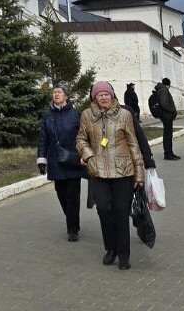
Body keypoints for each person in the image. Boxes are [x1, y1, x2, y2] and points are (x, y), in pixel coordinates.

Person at [76, 81, 145, 272]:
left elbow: (133, 144)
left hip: (123, 171)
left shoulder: (124, 115)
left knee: (121, 212)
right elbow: (81, 139)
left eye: (107, 94)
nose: (104, 97)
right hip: (98, 171)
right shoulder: (87, 115)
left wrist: (139, 174)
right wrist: (88, 156)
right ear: (94, 98)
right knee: (104, 210)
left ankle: (123, 255)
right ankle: (111, 248)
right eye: (100, 95)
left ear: (113, 96)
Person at [36, 84, 85, 241]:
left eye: (59, 92)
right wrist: (41, 159)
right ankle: (71, 218)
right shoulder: (48, 116)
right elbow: (43, 138)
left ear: (66, 96)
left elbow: (84, 137)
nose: (56, 94)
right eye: (54, 92)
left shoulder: (76, 114)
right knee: (61, 194)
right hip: (56, 161)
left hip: (72, 160)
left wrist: (84, 155)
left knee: (73, 196)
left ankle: (73, 228)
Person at [152, 78, 181, 160]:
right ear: (168, 85)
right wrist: (172, 110)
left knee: (167, 134)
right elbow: (164, 103)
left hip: (164, 115)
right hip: (167, 115)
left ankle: (169, 153)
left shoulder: (160, 90)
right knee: (168, 135)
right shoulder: (164, 90)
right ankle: (168, 154)